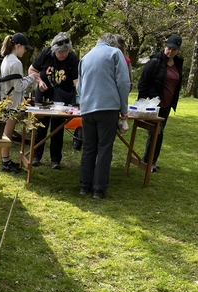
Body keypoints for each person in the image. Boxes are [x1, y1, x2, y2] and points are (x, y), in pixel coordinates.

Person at [77, 33, 130, 199]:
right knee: (105, 148)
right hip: (108, 107)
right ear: (113, 43)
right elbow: (123, 82)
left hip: (87, 108)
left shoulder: (85, 57)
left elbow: (80, 87)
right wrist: (124, 108)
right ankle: (99, 189)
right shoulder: (115, 54)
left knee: (88, 148)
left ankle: (84, 186)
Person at [28, 32, 79, 169]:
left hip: (62, 99)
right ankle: (36, 156)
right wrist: (39, 81)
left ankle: (55, 160)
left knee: (57, 128)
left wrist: (82, 92)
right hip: (44, 95)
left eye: (66, 51)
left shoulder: (73, 58)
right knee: (40, 126)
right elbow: (32, 70)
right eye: (61, 52)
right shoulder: (46, 54)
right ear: (54, 50)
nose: (63, 54)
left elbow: (76, 80)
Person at [138, 34, 183, 172]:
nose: (171, 51)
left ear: (178, 50)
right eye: (169, 48)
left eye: (174, 49)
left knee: (158, 133)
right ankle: (147, 162)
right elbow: (143, 82)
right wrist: (145, 101)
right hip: (154, 104)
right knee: (156, 132)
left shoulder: (178, 63)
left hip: (167, 105)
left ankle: (151, 161)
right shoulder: (155, 61)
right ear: (165, 46)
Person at [0, 33, 36, 174]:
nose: (25, 51)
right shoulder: (16, 63)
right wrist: (31, 78)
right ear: (18, 46)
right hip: (12, 102)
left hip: (5, 99)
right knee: (7, 134)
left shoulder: (6, 59)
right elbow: (19, 86)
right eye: (24, 48)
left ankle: (5, 160)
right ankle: (5, 162)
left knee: (6, 132)